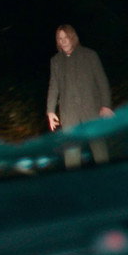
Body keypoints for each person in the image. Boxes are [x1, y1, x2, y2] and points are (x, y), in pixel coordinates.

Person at [46, 24, 114, 167]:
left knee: (99, 148)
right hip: (69, 113)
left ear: (72, 37)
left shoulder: (89, 55)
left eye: (66, 37)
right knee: (71, 152)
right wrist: (50, 111)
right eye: (60, 38)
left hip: (91, 110)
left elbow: (102, 81)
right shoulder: (56, 61)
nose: (63, 41)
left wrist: (106, 105)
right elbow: (53, 86)